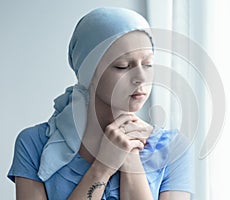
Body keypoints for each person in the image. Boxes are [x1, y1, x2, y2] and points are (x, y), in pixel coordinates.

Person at [7, 7, 194, 200]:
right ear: (89, 72)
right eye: (122, 66)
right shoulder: (34, 144)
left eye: (147, 64)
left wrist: (130, 158)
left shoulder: (173, 149)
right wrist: (103, 167)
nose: (141, 77)